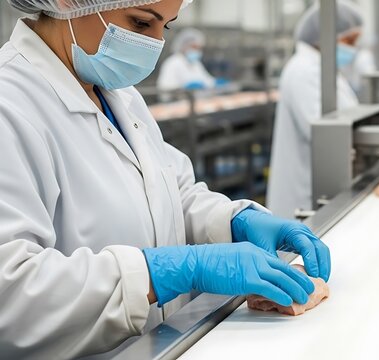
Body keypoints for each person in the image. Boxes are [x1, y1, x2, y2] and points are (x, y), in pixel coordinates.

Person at [0, 0, 330, 358]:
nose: (156, 44)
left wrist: (232, 220)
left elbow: (169, 191)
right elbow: (11, 297)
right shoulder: (11, 104)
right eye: (142, 23)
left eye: (166, 27)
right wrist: (165, 272)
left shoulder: (119, 95)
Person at [267, 1, 379, 219]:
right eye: (348, 40)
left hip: (322, 185)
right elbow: (330, 135)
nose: (353, 48)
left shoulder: (320, 67)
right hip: (305, 195)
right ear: (324, 35)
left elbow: (344, 116)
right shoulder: (304, 71)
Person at [157, 27, 222, 92]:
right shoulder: (172, 62)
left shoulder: (196, 63)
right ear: (184, 45)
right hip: (177, 101)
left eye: (199, 48)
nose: (197, 51)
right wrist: (184, 88)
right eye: (194, 47)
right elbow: (165, 88)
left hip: (196, 100)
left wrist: (215, 83)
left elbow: (207, 81)